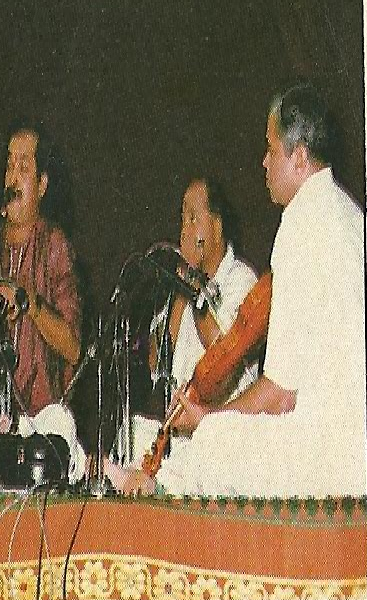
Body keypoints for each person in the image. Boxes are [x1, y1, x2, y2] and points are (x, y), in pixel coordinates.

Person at [106, 84, 367, 497]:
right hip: (354, 447)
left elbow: (280, 395)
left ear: (299, 157)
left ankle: (152, 485)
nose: (264, 162)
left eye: (271, 149)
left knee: (215, 440)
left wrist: (209, 420)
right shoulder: (351, 215)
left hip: (327, 455)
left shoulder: (302, 223)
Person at [0, 119, 87, 482]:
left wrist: (28, 302)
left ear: (41, 185)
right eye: (9, 165)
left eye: (23, 167)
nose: (12, 176)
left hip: (40, 424)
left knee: (57, 426)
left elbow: (73, 348)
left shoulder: (55, 247)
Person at [133, 177, 259, 461]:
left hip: (223, 446)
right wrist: (181, 291)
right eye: (182, 221)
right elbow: (156, 361)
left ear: (217, 226)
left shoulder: (241, 280)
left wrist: (192, 286)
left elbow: (221, 349)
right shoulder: (187, 290)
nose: (184, 231)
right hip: (181, 448)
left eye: (192, 219)